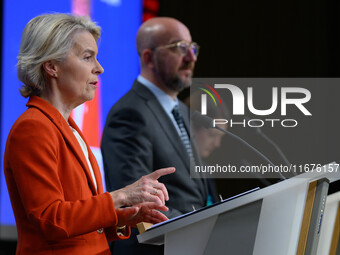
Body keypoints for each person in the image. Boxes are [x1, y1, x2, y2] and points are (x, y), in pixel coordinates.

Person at [4, 13, 175, 255]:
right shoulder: (33, 127)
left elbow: (79, 226)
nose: (100, 68)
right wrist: (122, 195)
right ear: (52, 66)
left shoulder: (70, 128)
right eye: (87, 57)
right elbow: (50, 220)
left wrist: (123, 217)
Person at [101, 17, 207, 254]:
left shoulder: (181, 110)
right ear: (148, 57)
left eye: (192, 47)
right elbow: (137, 200)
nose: (191, 57)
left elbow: (194, 193)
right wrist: (206, 223)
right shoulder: (129, 113)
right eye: (179, 48)